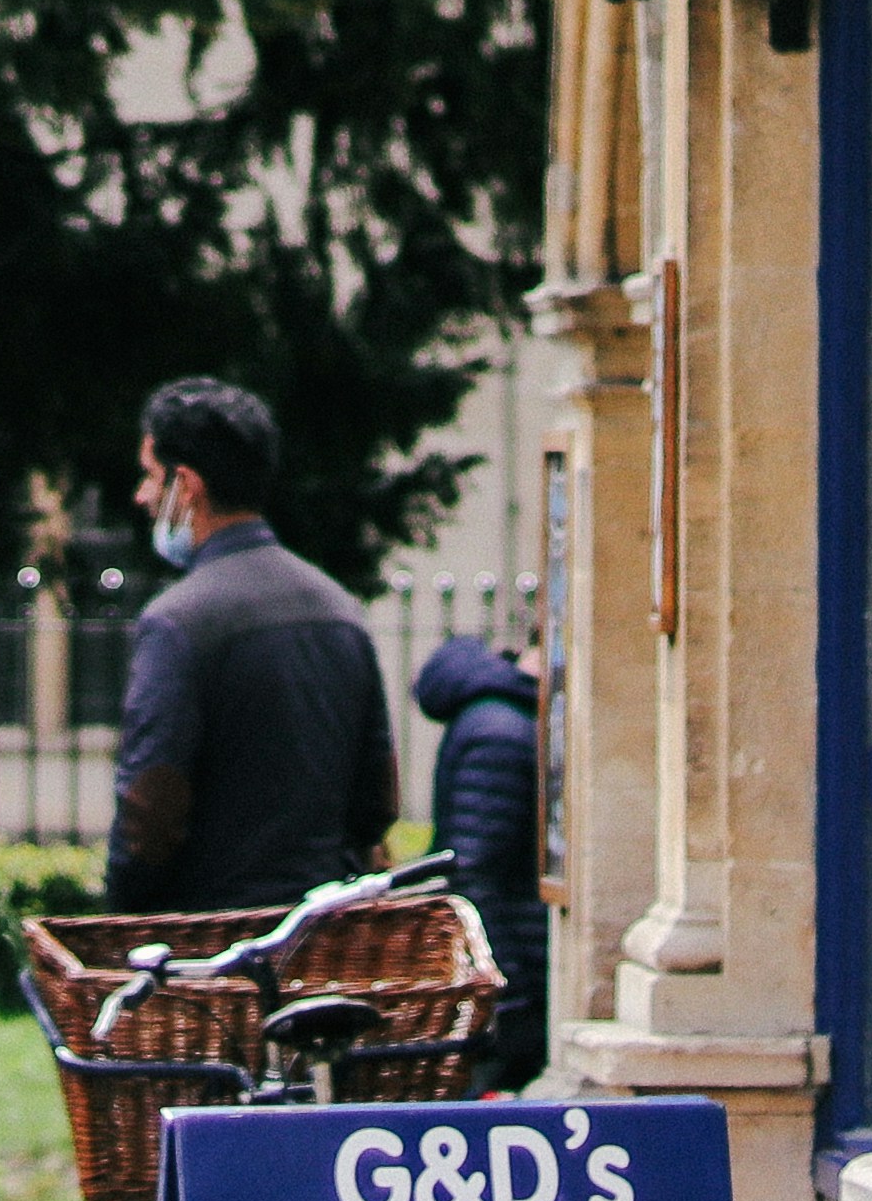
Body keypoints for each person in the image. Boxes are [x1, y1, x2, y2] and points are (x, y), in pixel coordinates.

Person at [104, 379, 399, 912]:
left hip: (213, 935)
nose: (141, 496)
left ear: (185, 484)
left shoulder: (178, 622)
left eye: (150, 476)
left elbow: (149, 815)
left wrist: (128, 912)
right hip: (321, 929)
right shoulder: (340, 610)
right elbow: (376, 799)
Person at [413, 636, 550, 1088]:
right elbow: (474, 874)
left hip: (508, 967)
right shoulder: (503, 732)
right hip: (509, 975)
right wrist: (507, 991)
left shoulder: (503, 721)